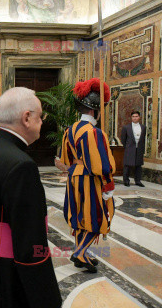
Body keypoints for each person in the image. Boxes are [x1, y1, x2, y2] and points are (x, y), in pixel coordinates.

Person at [0, 87, 61, 308]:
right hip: (7, 274)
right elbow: (31, 245)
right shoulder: (21, 165)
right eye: (40, 116)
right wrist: (47, 298)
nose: (42, 122)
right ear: (27, 117)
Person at [55, 78, 116, 273]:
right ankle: (80, 252)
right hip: (90, 178)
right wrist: (108, 186)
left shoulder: (69, 130)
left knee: (80, 216)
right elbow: (101, 165)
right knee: (97, 215)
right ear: (94, 110)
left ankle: (82, 252)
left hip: (73, 176)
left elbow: (65, 159)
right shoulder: (94, 132)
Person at [121, 110, 146, 187]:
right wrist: (127, 147)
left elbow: (143, 139)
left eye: (136, 116)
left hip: (139, 149)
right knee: (127, 165)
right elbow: (123, 139)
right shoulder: (126, 127)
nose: (135, 118)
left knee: (138, 165)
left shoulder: (143, 127)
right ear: (131, 118)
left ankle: (138, 181)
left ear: (139, 117)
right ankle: (126, 181)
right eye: (133, 116)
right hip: (129, 148)